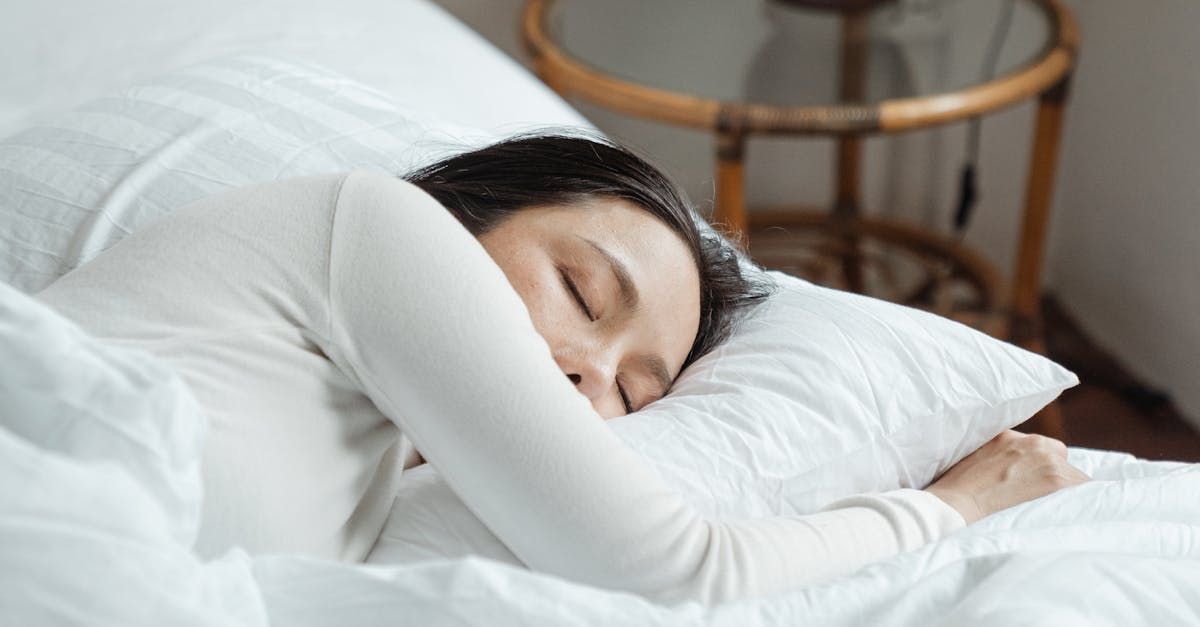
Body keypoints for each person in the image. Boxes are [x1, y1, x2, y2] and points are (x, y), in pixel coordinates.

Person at [36, 134, 1087, 604]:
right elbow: (679, 569)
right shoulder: (377, 224)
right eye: (584, 295)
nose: (588, 376)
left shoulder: (367, 461)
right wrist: (948, 508)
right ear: (462, 209)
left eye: (634, 393)